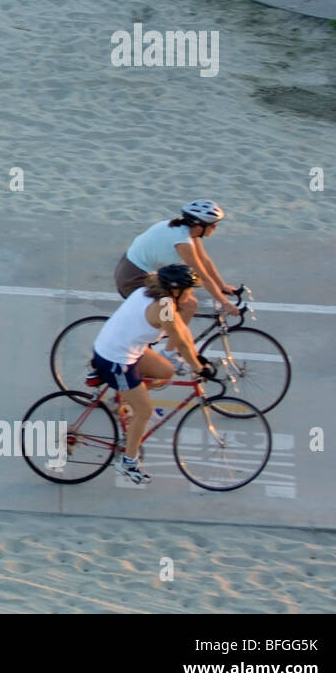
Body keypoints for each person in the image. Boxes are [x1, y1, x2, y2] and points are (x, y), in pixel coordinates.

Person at [90, 264, 215, 485]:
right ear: (176, 290)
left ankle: (127, 399)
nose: (192, 293)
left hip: (128, 349)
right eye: (189, 289)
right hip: (116, 359)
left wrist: (196, 358)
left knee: (166, 370)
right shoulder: (163, 308)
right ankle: (128, 462)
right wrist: (197, 368)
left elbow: (183, 333)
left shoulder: (153, 294)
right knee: (145, 411)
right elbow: (180, 339)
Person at [114, 200, 239, 322]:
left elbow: (204, 261)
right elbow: (202, 276)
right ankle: (173, 340)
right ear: (199, 225)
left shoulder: (186, 230)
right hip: (133, 279)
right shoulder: (182, 241)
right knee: (188, 304)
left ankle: (169, 334)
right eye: (213, 225)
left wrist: (221, 285)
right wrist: (225, 303)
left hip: (137, 270)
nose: (215, 228)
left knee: (181, 297)